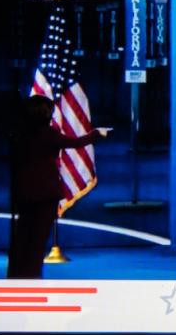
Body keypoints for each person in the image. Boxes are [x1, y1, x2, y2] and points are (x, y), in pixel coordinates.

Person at [7, 94, 111, 278]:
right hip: (45, 194)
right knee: (38, 238)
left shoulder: (18, 134)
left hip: (23, 192)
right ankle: (31, 274)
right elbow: (76, 143)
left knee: (23, 236)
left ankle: (17, 273)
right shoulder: (48, 134)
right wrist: (96, 134)